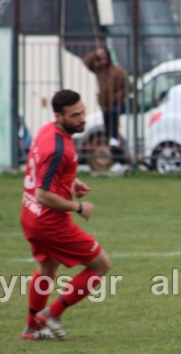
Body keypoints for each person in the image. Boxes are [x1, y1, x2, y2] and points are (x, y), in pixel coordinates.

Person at [20, 89, 112, 340]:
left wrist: (71, 181)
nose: (82, 119)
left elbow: (45, 171)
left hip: (30, 215)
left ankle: (32, 328)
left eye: (82, 112)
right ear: (59, 116)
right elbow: (43, 194)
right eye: (75, 115)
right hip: (49, 222)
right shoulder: (60, 149)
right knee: (100, 266)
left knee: (47, 268)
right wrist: (78, 207)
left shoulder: (46, 131)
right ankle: (51, 315)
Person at [84, 48, 127, 166]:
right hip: (105, 107)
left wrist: (117, 96)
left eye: (104, 58)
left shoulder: (117, 71)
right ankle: (118, 160)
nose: (102, 61)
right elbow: (87, 62)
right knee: (111, 135)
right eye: (100, 59)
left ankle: (119, 158)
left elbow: (127, 86)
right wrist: (95, 53)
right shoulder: (99, 71)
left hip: (117, 105)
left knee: (113, 132)